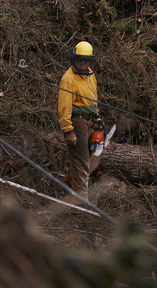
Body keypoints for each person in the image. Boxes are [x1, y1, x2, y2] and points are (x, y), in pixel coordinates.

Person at [57, 41, 101, 200]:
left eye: (86, 60)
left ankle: (68, 188)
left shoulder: (90, 74)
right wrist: (68, 129)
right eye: (80, 60)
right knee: (81, 160)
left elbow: (93, 97)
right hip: (77, 122)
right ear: (73, 59)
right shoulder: (68, 79)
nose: (83, 64)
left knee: (87, 157)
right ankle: (81, 199)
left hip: (90, 119)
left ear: (91, 61)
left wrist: (97, 116)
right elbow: (64, 107)